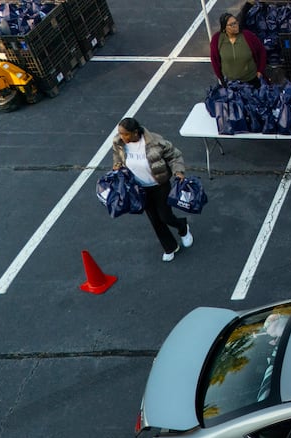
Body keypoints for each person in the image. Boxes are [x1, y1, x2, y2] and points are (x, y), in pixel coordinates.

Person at [112, 118, 194, 262]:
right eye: (119, 133)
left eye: (124, 134)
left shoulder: (155, 142)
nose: (121, 136)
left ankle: (182, 226)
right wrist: (117, 164)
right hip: (140, 188)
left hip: (160, 185)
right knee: (154, 220)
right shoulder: (119, 142)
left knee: (165, 216)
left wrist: (178, 171)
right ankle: (170, 247)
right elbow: (117, 156)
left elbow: (174, 156)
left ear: (135, 132)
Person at [209, 12, 266, 87]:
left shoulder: (248, 36)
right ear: (224, 28)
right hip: (230, 83)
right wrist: (221, 78)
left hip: (251, 80)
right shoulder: (217, 39)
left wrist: (260, 71)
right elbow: (214, 60)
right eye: (231, 25)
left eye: (235, 23)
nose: (235, 26)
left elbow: (262, 52)